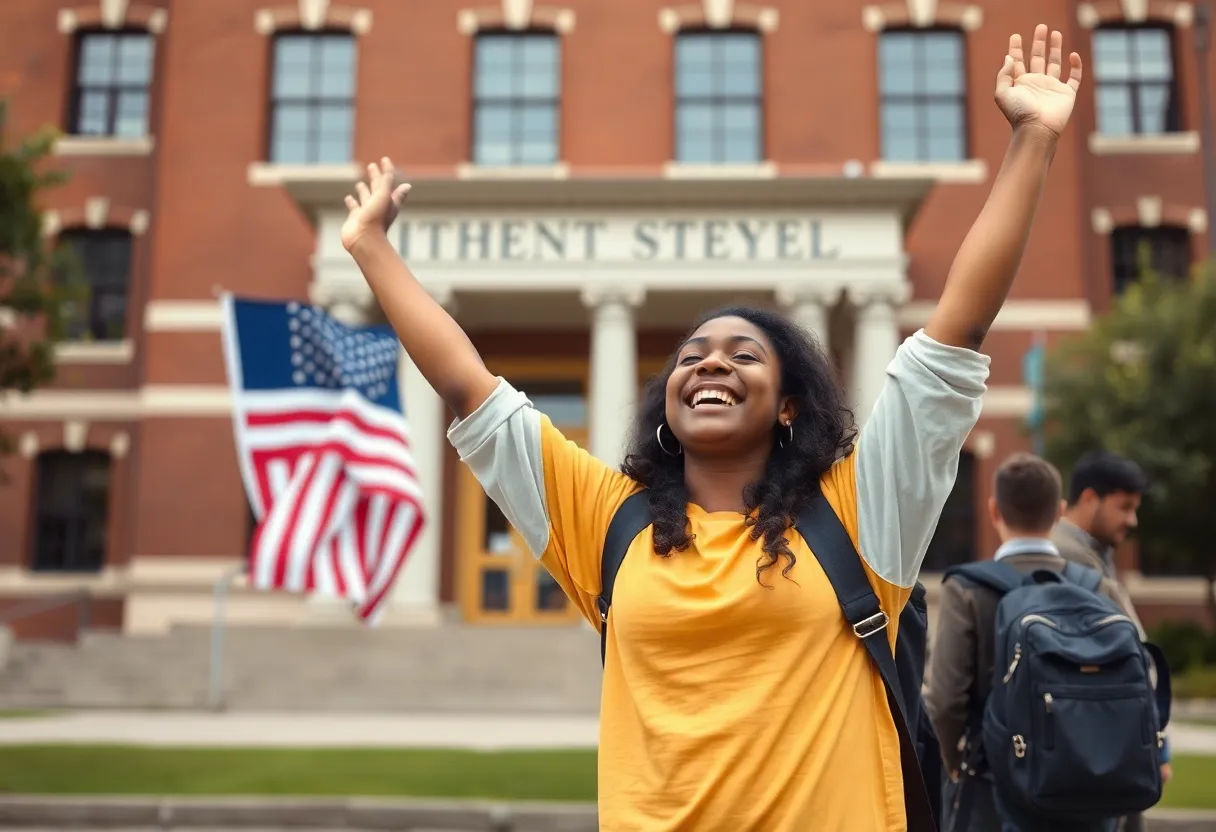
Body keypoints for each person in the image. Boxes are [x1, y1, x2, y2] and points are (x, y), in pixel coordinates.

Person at [340, 24, 1084, 832]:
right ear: (668, 399)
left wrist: (1033, 141)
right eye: (692, 356)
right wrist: (370, 247)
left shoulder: (864, 511)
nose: (711, 365)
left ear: (790, 401)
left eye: (744, 355)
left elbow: (954, 332)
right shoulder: (606, 520)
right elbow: (466, 386)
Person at [926, 453, 1125, 831]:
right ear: (1060, 511)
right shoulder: (1098, 587)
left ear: (994, 510)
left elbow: (946, 700)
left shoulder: (967, 590)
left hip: (995, 792)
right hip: (1086, 793)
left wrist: (954, 764)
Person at [1051, 452, 1172, 831]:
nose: (1132, 520)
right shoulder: (1070, 560)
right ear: (1089, 498)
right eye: (1124, 507)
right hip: (1098, 752)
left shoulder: (1093, 553)